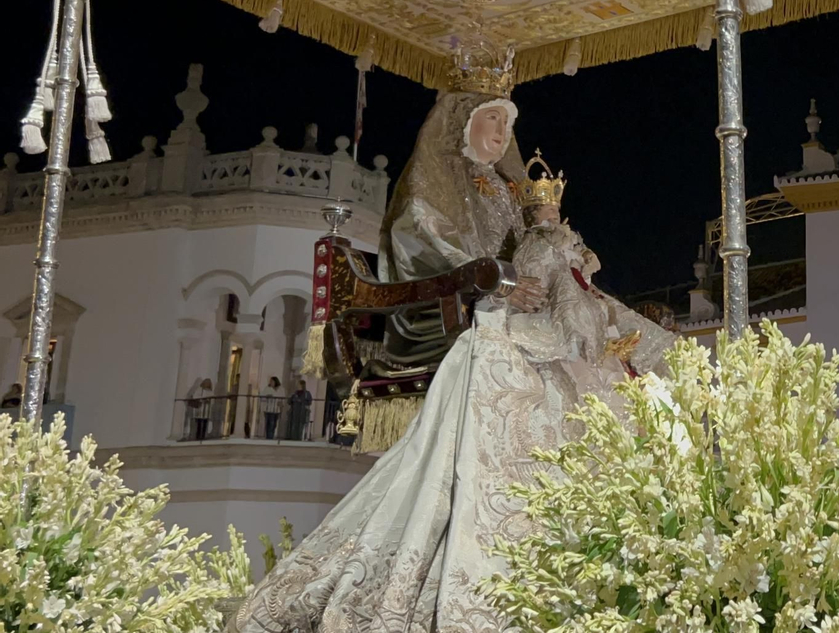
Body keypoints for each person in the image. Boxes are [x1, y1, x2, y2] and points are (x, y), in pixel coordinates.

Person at [234, 58, 676, 632]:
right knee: (498, 353)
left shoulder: (504, 190)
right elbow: (428, 246)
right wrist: (494, 283)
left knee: (597, 352)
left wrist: (550, 247)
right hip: (443, 317)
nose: (501, 134)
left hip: (505, 310)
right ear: (461, 123)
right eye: (491, 119)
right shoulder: (428, 187)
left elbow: (530, 258)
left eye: (507, 124)